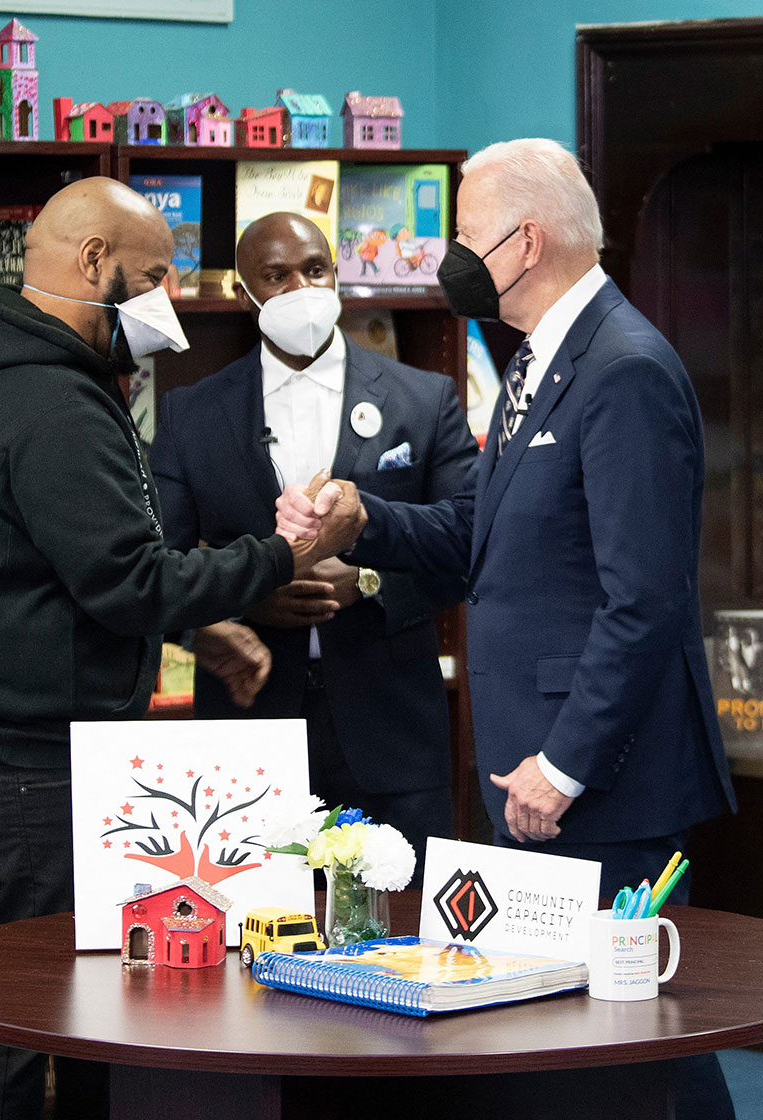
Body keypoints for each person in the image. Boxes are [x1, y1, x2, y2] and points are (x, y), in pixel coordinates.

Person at [275, 138, 738, 1118]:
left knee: (629, 1051)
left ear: (525, 243)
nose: (447, 254)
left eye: (462, 234)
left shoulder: (624, 369)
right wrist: (362, 519)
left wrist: (563, 764)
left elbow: (643, 598)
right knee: (565, 1049)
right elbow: (474, 534)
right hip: (529, 774)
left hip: (595, 782)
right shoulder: (541, 361)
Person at [0, 177, 353, 1120]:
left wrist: (192, 623)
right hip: (20, 769)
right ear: (95, 264)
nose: (166, 303)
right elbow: (128, 579)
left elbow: (68, 569)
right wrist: (287, 552)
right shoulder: (52, 402)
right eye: (152, 277)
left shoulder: (10, 374)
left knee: (65, 1006)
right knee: (17, 1022)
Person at [149, 212, 477, 878]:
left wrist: (374, 583)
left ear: (338, 275)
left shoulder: (425, 398)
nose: (300, 286)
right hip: (251, 730)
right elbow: (157, 571)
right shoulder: (191, 413)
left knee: (398, 940)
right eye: (275, 276)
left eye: (314, 268)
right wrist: (243, 602)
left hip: (393, 732)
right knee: (253, 943)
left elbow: (469, 542)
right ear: (246, 296)